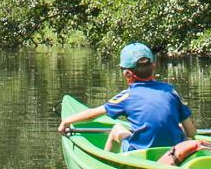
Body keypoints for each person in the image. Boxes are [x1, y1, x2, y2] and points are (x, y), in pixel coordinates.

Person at [58, 42, 196, 153]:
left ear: (127, 74)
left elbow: (90, 115)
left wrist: (66, 121)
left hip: (141, 153)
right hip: (172, 151)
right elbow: (192, 132)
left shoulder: (127, 96)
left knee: (117, 129)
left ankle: (107, 165)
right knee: (181, 129)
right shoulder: (171, 91)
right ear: (153, 67)